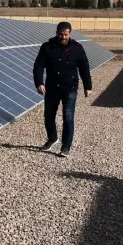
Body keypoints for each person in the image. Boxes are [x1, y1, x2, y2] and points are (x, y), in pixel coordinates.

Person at [32, 21, 93, 157]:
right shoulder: (47, 47)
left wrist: (88, 86)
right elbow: (38, 66)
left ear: (70, 34)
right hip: (52, 88)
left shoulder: (77, 48)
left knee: (68, 118)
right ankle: (52, 138)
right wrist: (39, 83)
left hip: (70, 88)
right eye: (61, 34)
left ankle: (66, 147)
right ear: (56, 33)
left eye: (66, 35)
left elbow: (84, 68)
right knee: (49, 116)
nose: (63, 37)